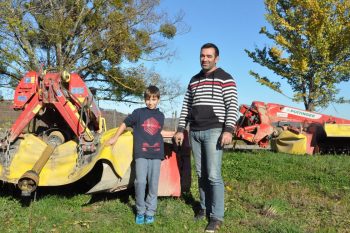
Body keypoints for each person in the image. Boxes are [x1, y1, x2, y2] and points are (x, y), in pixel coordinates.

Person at [174, 43, 238, 232]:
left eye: (209, 56)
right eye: (202, 56)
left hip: (214, 131)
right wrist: (180, 129)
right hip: (195, 131)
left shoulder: (226, 79)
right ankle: (203, 207)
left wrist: (228, 130)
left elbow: (232, 106)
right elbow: (186, 105)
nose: (205, 59)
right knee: (201, 174)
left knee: (213, 175)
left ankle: (216, 216)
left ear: (216, 58)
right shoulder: (194, 80)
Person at [107, 85, 165, 225]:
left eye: (153, 99)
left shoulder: (161, 116)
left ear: (158, 100)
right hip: (141, 153)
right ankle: (140, 211)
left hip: (157, 153)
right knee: (140, 182)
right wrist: (115, 138)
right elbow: (124, 124)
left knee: (153, 183)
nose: (150, 102)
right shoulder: (138, 113)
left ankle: (150, 212)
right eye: (148, 99)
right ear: (144, 100)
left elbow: (157, 133)